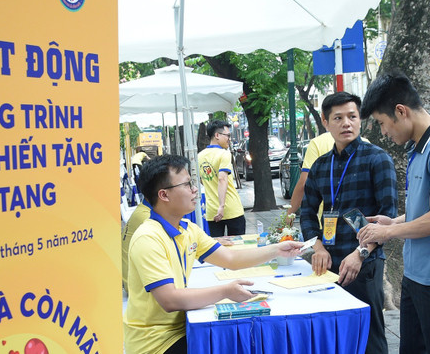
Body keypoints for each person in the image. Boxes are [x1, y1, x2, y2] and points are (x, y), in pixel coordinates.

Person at [125, 154, 302, 354]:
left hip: (183, 328)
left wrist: (277, 249)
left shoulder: (187, 229)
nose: (194, 190)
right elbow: (170, 300)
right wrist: (225, 291)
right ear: (164, 195)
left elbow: (231, 259)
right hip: (155, 342)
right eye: (186, 185)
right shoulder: (148, 238)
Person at [358, 70, 430, 354]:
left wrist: (387, 232)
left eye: (382, 123)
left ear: (401, 111)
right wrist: (392, 221)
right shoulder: (417, 151)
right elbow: (425, 211)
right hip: (416, 276)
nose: (383, 132)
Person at [300, 92, 397, 354]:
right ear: (325, 122)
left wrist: (360, 254)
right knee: (334, 333)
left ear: (361, 120)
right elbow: (306, 212)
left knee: (369, 335)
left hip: (364, 265)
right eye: (338, 118)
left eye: (352, 117)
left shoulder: (378, 160)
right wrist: (317, 246)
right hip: (328, 263)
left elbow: (388, 218)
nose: (346, 123)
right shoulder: (321, 166)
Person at [197, 120, 246, 237]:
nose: (229, 139)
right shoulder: (224, 154)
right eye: (227, 135)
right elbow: (222, 179)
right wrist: (221, 206)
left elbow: (202, 180)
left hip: (211, 211)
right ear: (217, 135)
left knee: (217, 249)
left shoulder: (199, 156)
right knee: (237, 247)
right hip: (231, 209)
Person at [286, 131, 335, 225]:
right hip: (360, 227)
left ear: (324, 120)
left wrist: (289, 214)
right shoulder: (367, 146)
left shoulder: (318, 143)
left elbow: (304, 183)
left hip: (329, 224)